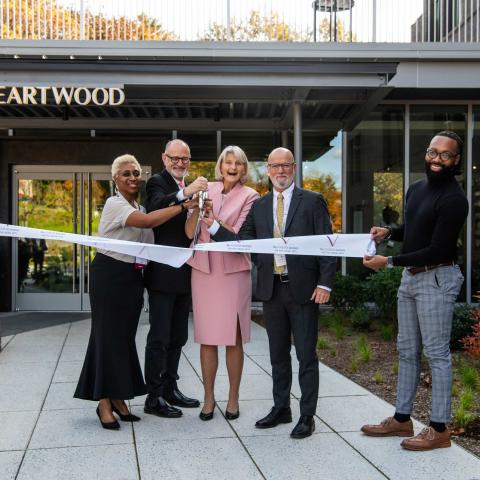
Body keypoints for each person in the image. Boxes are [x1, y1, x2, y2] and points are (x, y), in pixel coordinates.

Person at [208, 147, 336, 439]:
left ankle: (306, 416)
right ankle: (282, 408)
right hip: (272, 289)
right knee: (278, 356)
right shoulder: (261, 206)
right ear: (267, 169)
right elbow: (244, 242)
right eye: (275, 166)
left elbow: (328, 244)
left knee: (305, 355)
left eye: (286, 165)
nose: (280, 171)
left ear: (293, 168)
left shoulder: (313, 201)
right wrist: (213, 225)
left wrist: (325, 283)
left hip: (304, 290)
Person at [361, 131, 468, 451]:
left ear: (456, 161)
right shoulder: (416, 189)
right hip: (410, 278)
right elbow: (417, 229)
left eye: (445, 155)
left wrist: (389, 260)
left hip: (437, 278)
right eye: (432, 152)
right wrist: (390, 231)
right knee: (406, 350)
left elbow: (437, 248)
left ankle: (439, 429)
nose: (436, 159)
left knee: (436, 355)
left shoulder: (455, 199)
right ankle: (402, 419)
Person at [74, 154, 193, 430]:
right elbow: (149, 222)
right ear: (115, 178)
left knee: (124, 339)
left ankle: (118, 397)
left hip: (132, 278)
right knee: (105, 337)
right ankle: (103, 401)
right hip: (109, 275)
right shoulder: (115, 204)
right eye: (126, 173)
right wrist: (182, 204)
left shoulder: (136, 204)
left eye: (136, 173)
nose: (132, 178)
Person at [186, 145, 259, 421]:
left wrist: (213, 222)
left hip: (233, 272)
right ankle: (208, 398)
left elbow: (239, 235)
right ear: (220, 165)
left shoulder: (251, 196)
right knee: (207, 337)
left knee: (233, 338)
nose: (232, 167)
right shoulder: (207, 189)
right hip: (204, 272)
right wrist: (194, 209)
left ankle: (233, 398)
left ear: (243, 169)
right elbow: (189, 232)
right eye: (228, 162)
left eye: (238, 163)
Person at [143, 139, 208, 418]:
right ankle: (153, 397)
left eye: (185, 159)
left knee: (178, 336)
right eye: (175, 158)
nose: (180, 163)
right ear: (164, 158)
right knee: (159, 336)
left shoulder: (185, 187)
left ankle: (170, 388)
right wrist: (186, 197)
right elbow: (156, 206)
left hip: (185, 272)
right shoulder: (157, 182)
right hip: (161, 274)